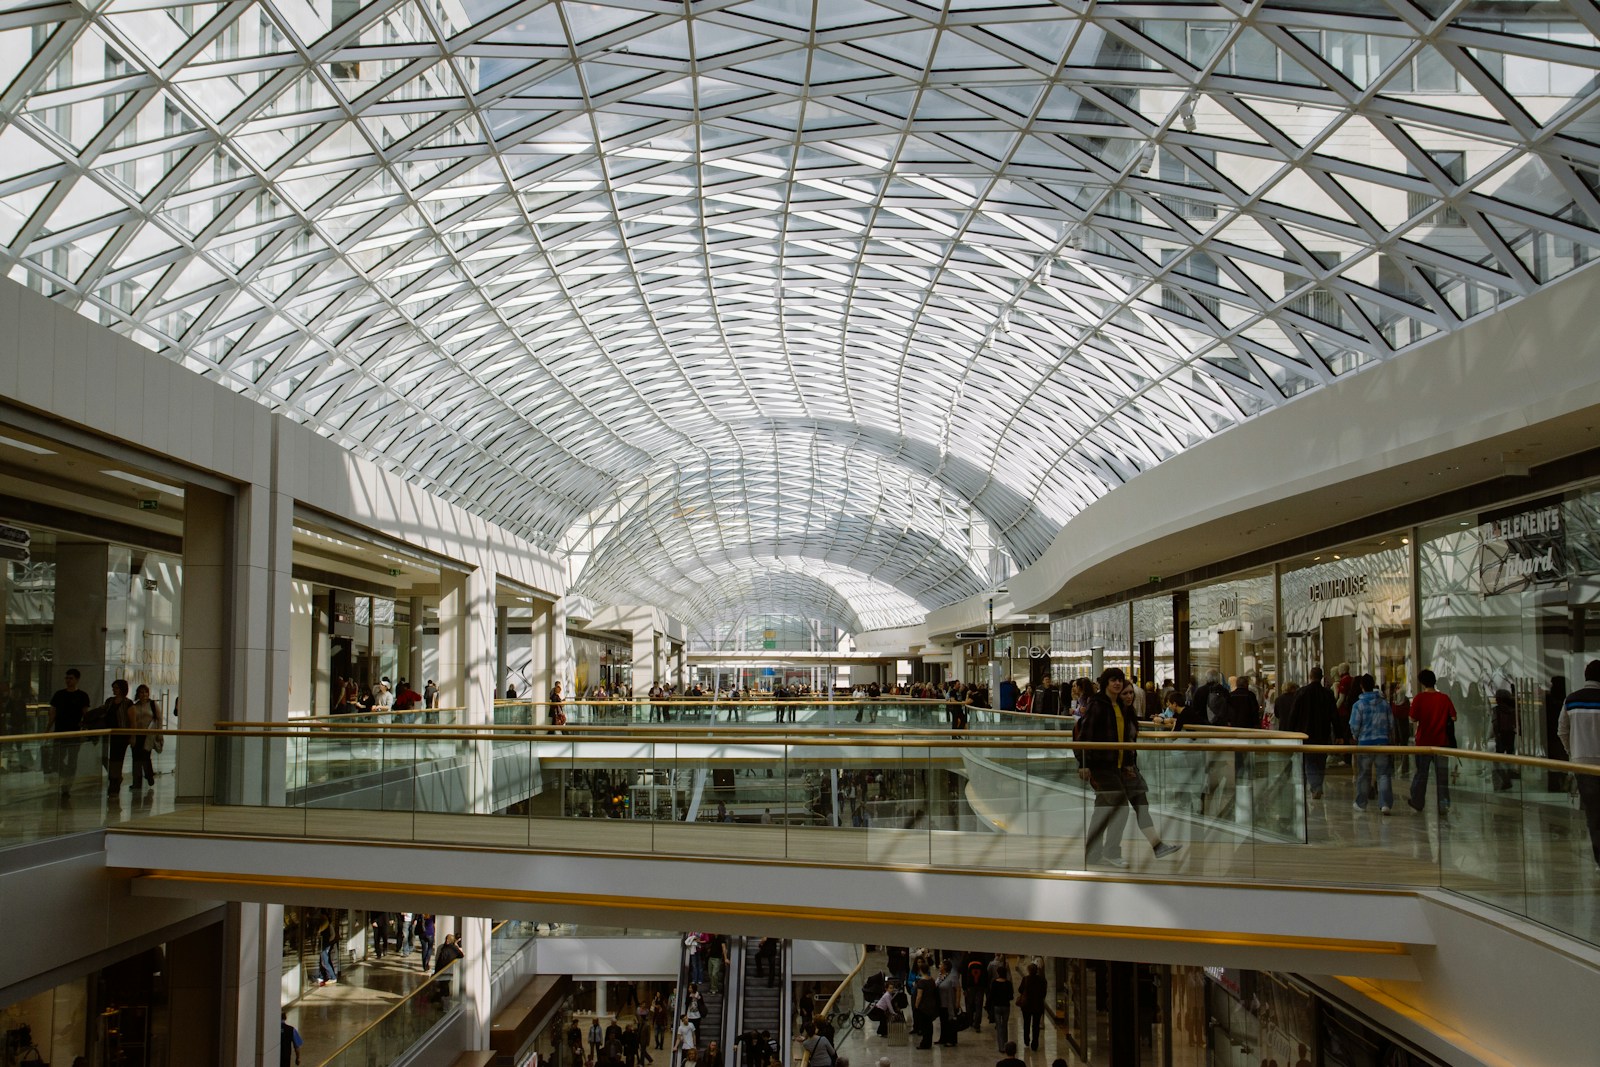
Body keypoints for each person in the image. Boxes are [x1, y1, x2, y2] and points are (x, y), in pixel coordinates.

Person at [1077, 667, 1182, 867]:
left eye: (1120, 680)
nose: (1117, 684)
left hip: (1118, 767)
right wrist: (1084, 764)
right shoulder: (1098, 705)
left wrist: (1127, 763)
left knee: (1102, 810)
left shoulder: (1121, 707)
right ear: (1106, 683)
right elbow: (1086, 736)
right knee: (1120, 807)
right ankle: (1111, 852)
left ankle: (1092, 854)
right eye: (1113, 680)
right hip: (1102, 766)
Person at [1558, 659, 1600, 872]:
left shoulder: (1571, 700)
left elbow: (1562, 731)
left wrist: (1572, 752)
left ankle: (1599, 859)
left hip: (1582, 765)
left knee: (1593, 813)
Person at [1408, 669, 1456, 814]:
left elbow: (1412, 718)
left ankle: (1417, 801)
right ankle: (1444, 804)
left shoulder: (1419, 699)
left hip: (1424, 742)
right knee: (1442, 776)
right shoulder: (1444, 698)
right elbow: (1453, 717)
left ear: (1422, 683)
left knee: (1422, 773)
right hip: (1442, 743)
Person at [1286, 667, 1337, 799]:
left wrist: (1290, 732)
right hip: (1323, 733)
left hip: (1305, 733)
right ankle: (1317, 784)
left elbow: (1293, 714)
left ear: (1310, 676)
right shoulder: (1328, 694)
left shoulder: (1301, 692)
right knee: (1321, 761)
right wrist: (1340, 733)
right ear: (1321, 677)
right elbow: (1334, 715)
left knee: (1309, 761)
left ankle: (1316, 786)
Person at [1349, 674, 1393, 813]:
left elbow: (1355, 725)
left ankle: (1361, 803)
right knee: (1383, 774)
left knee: (1364, 774)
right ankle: (1385, 803)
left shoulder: (1358, 705)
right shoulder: (1384, 704)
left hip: (1365, 743)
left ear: (1361, 686)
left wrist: (1356, 736)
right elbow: (1391, 723)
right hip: (1382, 742)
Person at [46, 668, 90, 800]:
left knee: (72, 760)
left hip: (74, 733)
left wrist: (84, 730)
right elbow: (52, 713)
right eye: (67, 678)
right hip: (59, 731)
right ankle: (65, 777)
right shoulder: (59, 694)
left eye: (71, 678)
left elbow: (85, 714)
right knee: (56, 760)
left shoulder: (82, 696)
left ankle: (67, 785)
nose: (68, 681)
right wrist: (47, 729)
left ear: (76, 680)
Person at [99, 679, 134, 797]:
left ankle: (114, 782)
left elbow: (131, 721)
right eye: (113, 688)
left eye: (117, 688)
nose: (114, 690)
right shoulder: (109, 701)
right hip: (109, 734)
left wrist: (132, 736)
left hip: (121, 735)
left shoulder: (128, 703)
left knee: (117, 760)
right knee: (106, 758)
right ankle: (115, 777)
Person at [128, 683, 160, 790]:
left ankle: (148, 775)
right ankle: (136, 782)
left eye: (146, 692)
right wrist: (132, 736)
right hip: (137, 735)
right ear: (138, 694)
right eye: (141, 692)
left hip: (148, 735)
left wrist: (159, 734)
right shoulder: (135, 706)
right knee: (136, 759)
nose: (144, 694)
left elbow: (159, 719)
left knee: (145, 756)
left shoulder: (152, 704)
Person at [1016, 962, 1047, 1052]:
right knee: (1036, 1025)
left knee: (1026, 1023)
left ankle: (1026, 1040)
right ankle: (1035, 1043)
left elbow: (1020, 990)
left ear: (1029, 970)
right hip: (1038, 1006)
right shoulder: (1042, 980)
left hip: (1027, 1006)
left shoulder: (1026, 979)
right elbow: (1044, 993)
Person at [1491, 688, 1518, 791]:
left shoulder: (1496, 710)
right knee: (1508, 758)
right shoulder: (1512, 709)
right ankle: (1508, 776)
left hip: (1501, 736)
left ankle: (1506, 779)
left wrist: (1493, 735)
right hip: (1510, 735)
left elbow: (1495, 724)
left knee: (1497, 760)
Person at [986, 956, 1014, 1052]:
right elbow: (1011, 996)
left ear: (998, 973)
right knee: (1005, 1025)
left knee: (999, 1026)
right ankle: (1006, 1044)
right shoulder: (1008, 984)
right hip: (1006, 1006)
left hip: (997, 1006)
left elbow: (991, 995)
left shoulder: (994, 983)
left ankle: (1001, 1046)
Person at [935, 956, 961, 1046]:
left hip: (949, 1003)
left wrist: (957, 1002)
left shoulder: (953, 976)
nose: (939, 966)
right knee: (943, 1022)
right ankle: (943, 1038)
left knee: (950, 1022)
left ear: (945, 967)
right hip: (941, 1003)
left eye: (941, 964)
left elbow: (957, 989)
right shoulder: (939, 977)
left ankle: (951, 1040)